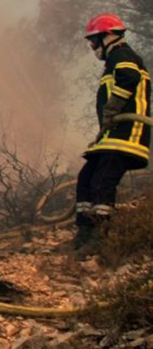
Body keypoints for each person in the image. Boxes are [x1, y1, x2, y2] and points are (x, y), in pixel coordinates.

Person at [73, 13, 150, 257]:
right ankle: (85, 230)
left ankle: (101, 234)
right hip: (112, 136)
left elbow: (129, 78)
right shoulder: (114, 60)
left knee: (102, 181)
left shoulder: (122, 55)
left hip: (127, 134)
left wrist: (112, 107)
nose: (92, 46)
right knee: (86, 178)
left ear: (107, 37)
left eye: (94, 40)